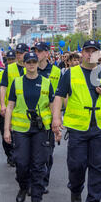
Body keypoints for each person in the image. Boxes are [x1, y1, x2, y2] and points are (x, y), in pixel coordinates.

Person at [51, 40, 101, 202]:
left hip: (100, 127)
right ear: (82, 53)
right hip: (78, 128)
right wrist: (56, 119)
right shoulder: (71, 73)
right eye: (87, 51)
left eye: (94, 51)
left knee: (99, 166)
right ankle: (75, 188)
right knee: (76, 165)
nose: (90, 54)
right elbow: (59, 96)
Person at [4, 51, 57, 202]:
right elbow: (10, 107)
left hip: (41, 129)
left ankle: (37, 198)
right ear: (24, 64)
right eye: (29, 62)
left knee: (39, 165)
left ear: (37, 63)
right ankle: (23, 186)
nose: (32, 64)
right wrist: (7, 129)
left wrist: (56, 123)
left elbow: (53, 105)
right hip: (21, 129)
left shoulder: (46, 83)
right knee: (21, 163)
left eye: (34, 61)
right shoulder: (17, 82)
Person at [32, 42, 61, 193]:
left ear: (47, 53)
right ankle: (34, 182)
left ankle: (43, 181)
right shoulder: (30, 69)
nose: (36, 54)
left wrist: (59, 116)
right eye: (35, 51)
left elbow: (62, 95)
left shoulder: (56, 71)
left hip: (49, 118)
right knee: (32, 153)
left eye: (40, 51)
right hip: (30, 118)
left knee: (47, 153)